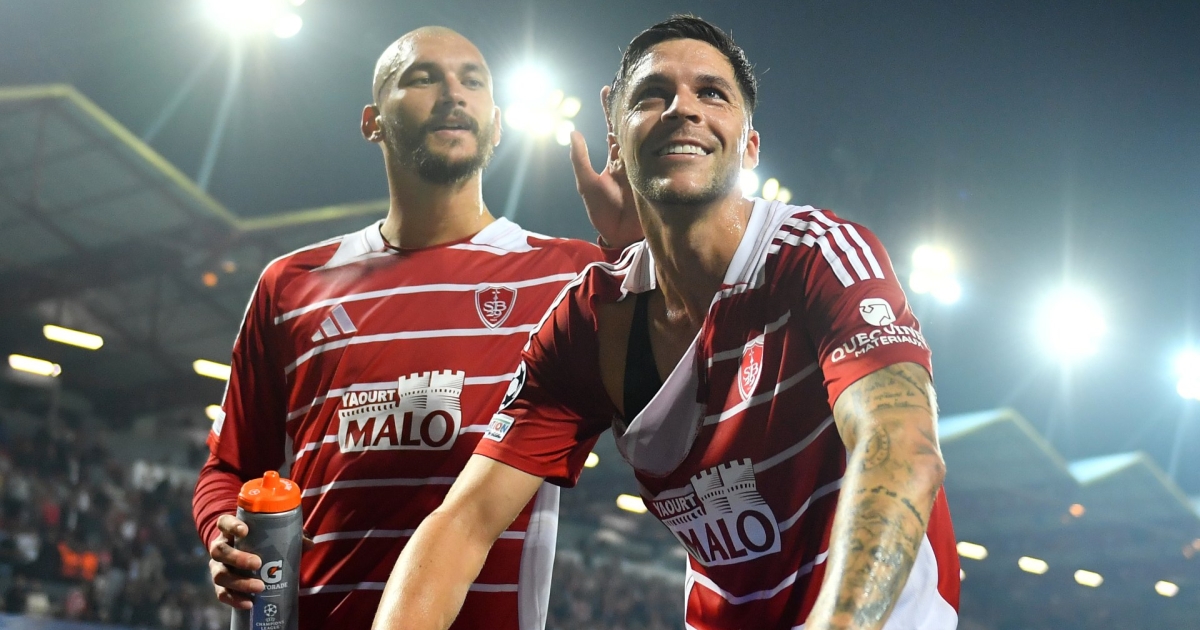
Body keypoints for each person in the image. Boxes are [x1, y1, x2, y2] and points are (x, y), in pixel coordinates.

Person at [372, 15, 960, 630]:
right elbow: (462, 523)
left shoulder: (819, 255)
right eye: (652, 95)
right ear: (617, 143)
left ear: (749, 146)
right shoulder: (591, 324)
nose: (683, 108)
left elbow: (902, 448)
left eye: (712, 93)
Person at [192, 26, 631, 630]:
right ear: (372, 122)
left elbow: (698, 376)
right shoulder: (290, 285)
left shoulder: (571, 275)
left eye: (472, 81)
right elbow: (228, 468)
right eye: (423, 78)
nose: (453, 93)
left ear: (497, 125)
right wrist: (224, 533)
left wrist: (641, 247)